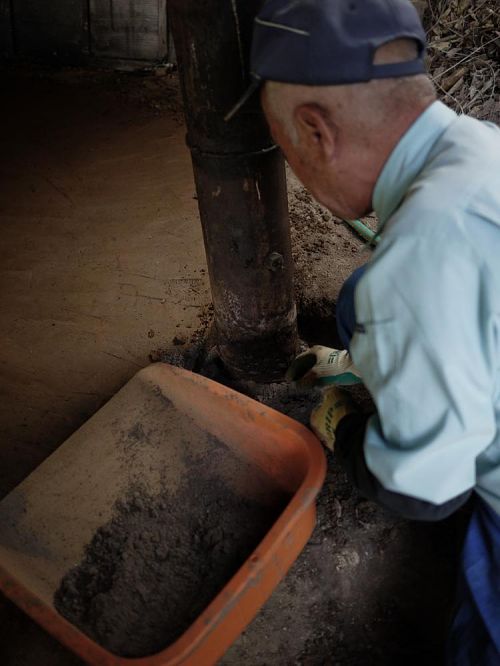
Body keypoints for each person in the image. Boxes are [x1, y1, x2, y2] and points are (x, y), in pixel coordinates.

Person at [226, 0, 500, 664]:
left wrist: (343, 427)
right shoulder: (483, 147)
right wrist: (367, 359)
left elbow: (424, 489)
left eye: (289, 151)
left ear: (317, 132)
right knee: (358, 300)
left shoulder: (416, 260)